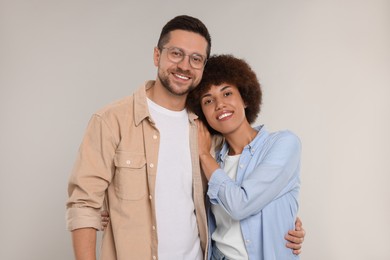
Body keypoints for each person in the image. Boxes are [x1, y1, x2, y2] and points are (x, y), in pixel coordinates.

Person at [66, 15, 304, 260]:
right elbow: (84, 205)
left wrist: (281, 220)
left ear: (202, 67)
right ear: (157, 55)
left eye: (196, 58)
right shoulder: (111, 121)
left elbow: (237, 200)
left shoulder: (207, 134)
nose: (184, 65)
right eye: (176, 53)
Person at [186, 54, 302, 260]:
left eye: (227, 93)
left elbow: (240, 206)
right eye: (208, 100)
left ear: (245, 98)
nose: (219, 104)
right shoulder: (215, 160)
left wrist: (204, 155)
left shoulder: (283, 144)